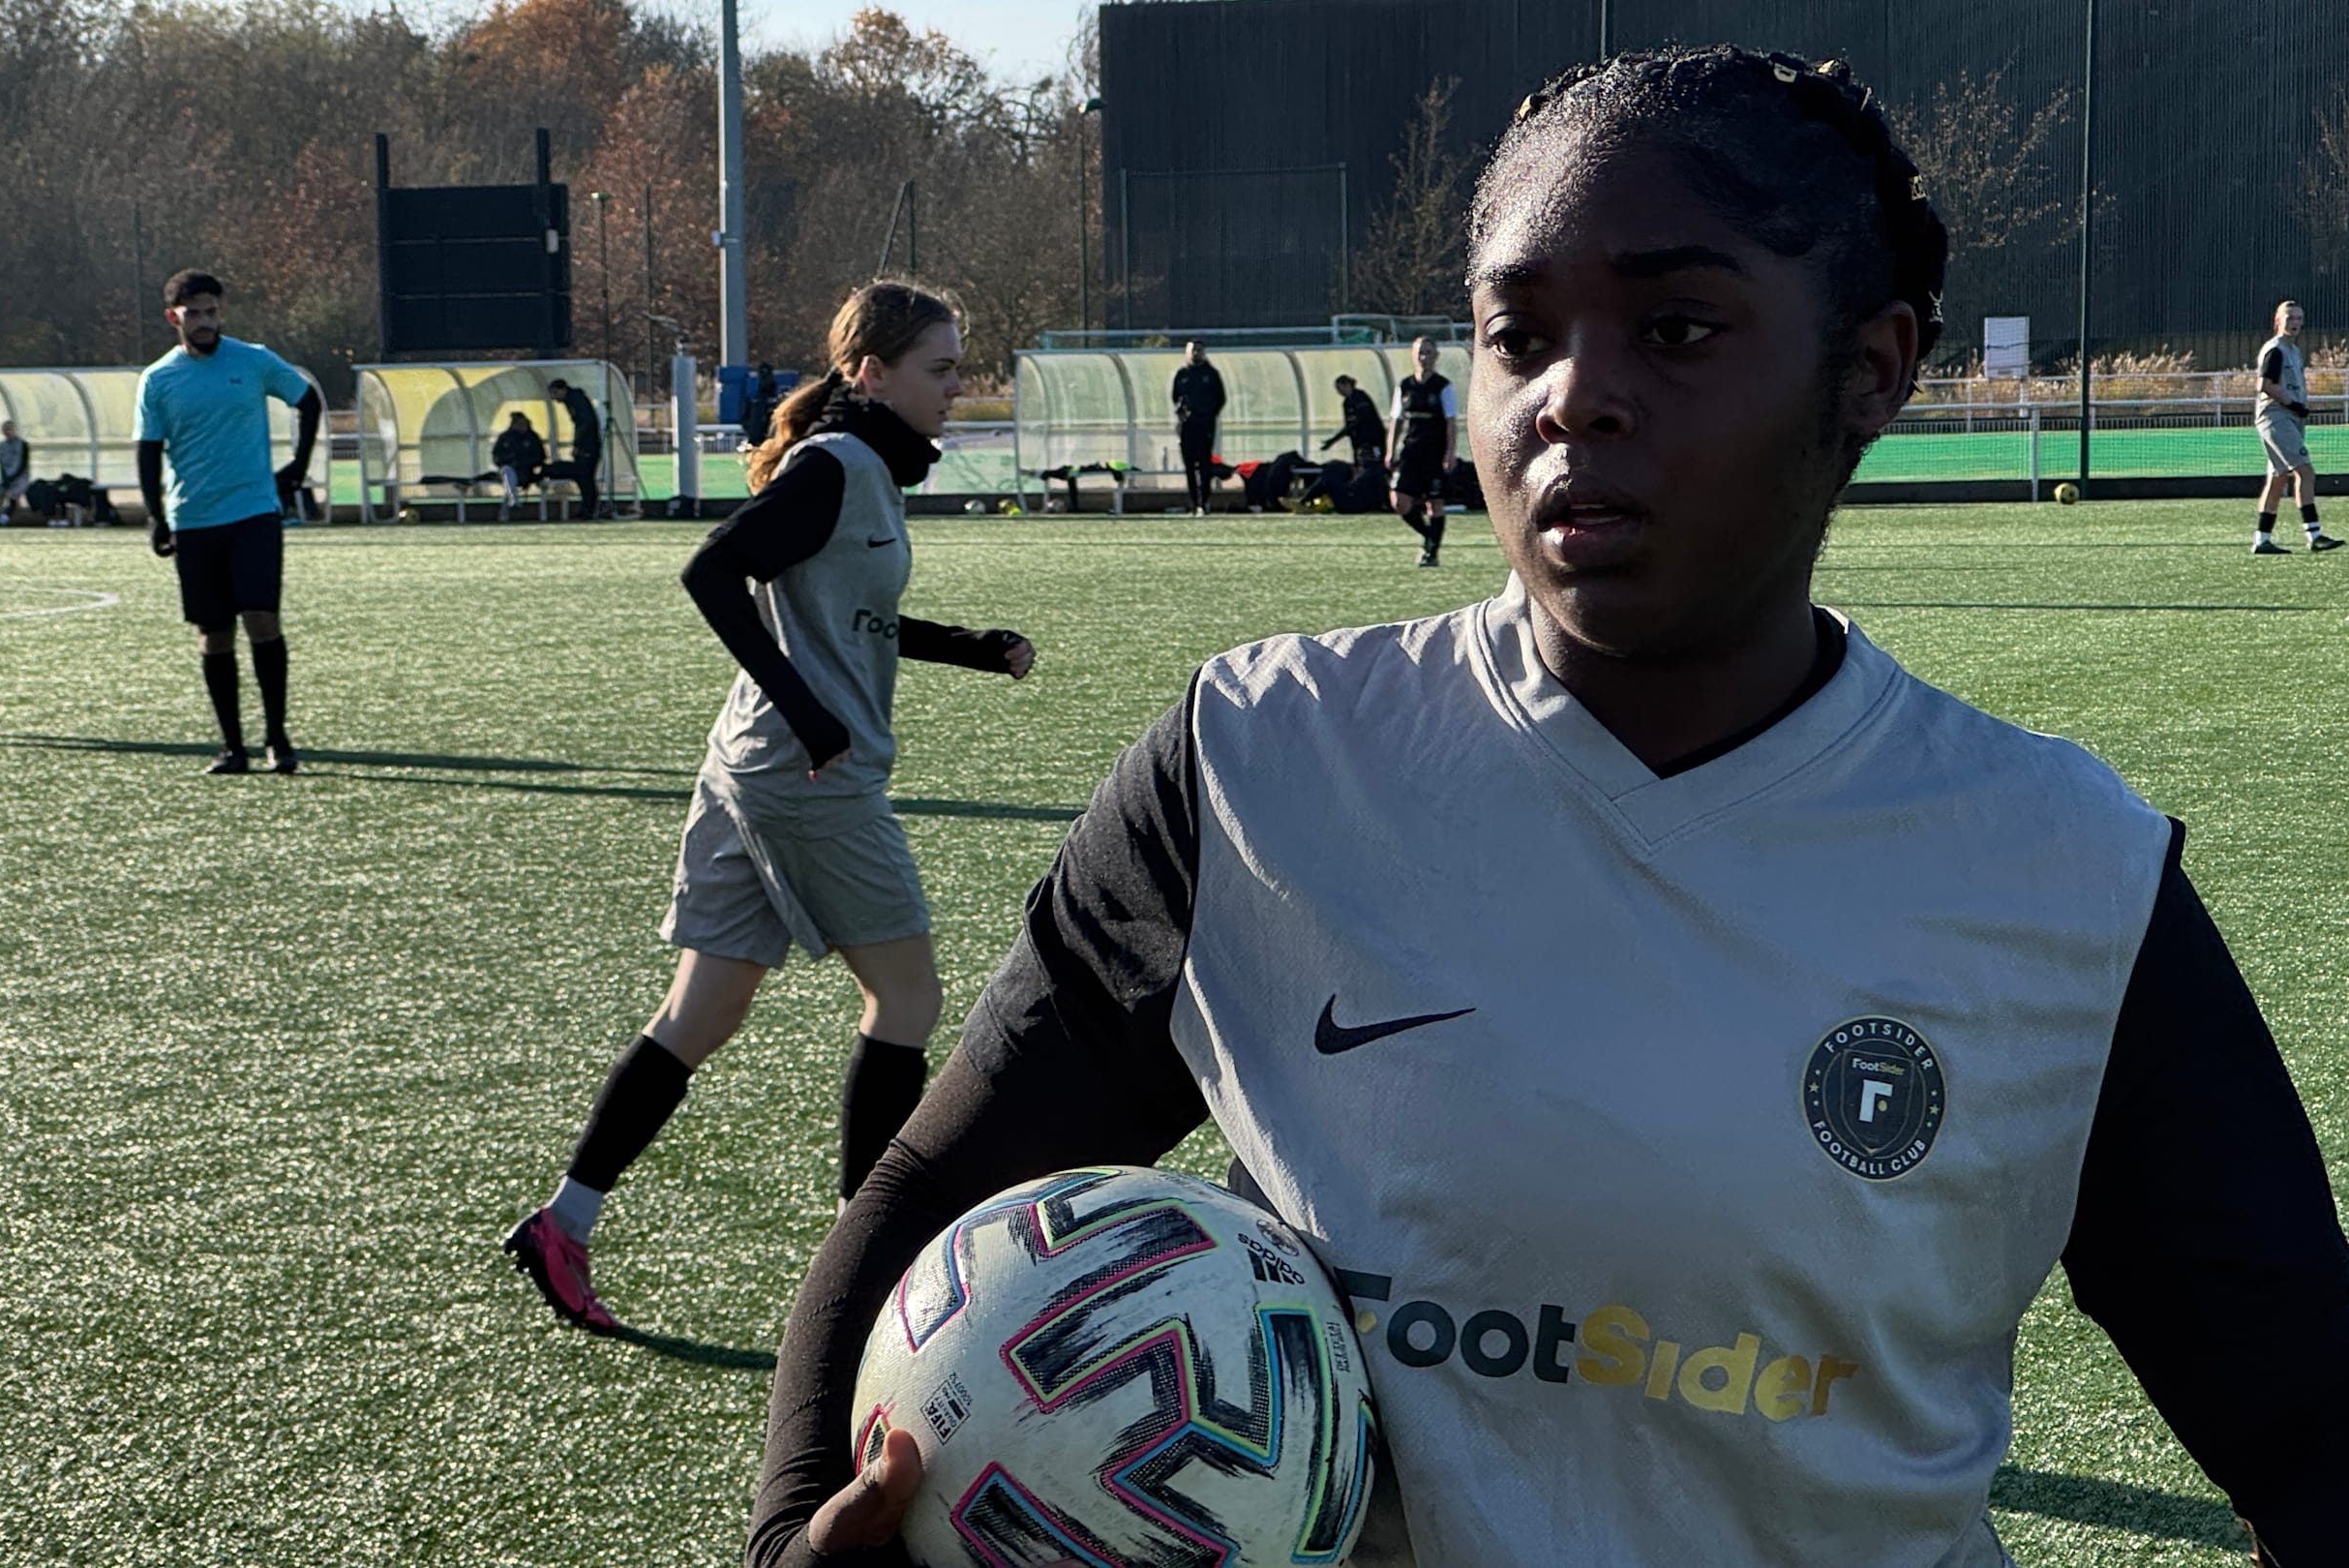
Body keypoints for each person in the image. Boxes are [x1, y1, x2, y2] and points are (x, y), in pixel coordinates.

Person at [748, 47, 2347, 1568]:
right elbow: (932, 1197)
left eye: (1679, 328)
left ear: (1870, 369)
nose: (1573, 397)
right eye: (1519, 336)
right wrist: (796, 1527)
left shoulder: (2063, 873)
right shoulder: (1259, 763)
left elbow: (2309, 1424)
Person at [506, 280, 1039, 1336]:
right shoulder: (836, 466)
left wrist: (973, 648)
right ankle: (862, 1271)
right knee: (907, 999)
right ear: (871, 374)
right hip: (804, 778)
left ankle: (563, 1222)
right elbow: (713, 572)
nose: (955, 388)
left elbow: (848, 617)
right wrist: (810, 714)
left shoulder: (863, 469)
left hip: (748, 767)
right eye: (939, 369)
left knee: (703, 1012)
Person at [135, 268, 323, 775]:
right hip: (195, 519)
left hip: (254, 513)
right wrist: (156, 516)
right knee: (214, 633)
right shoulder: (158, 379)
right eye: (193, 313)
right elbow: (148, 450)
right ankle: (232, 746)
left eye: (212, 312)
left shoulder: (253, 360)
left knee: (262, 619)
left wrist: (298, 469)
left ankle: (278, 739)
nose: (205, 322)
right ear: (173, 318)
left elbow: (308, 401)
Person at [2250, 299, 2333, 555]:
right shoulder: (2275, 349)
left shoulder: (2294, 351)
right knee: (2305, 472)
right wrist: (2292, 404)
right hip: (2276, 417)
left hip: (2289, 418)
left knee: (2278, 478)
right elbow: (2264, 384)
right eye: (2290, 318)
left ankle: (2261, 539)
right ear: (2278, 321)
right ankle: (2314, 535)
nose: (2295, 323)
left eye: (2298, 318)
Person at [1389, 336, 1461, 564]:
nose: (1424, 357)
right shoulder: (1405, 386)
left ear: (1436, 356)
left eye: (1429, 352)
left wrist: (1449, 453)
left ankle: (1432, 553)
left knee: (1434, 503)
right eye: (1420, 352)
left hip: (1434, 452)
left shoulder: (1443, 386)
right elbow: (1396, 420)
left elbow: (1450, 422)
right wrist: (1390, 450)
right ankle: (1430, 537)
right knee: (1399, 503)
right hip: (1410, 451)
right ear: (1413, 355)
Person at [1170, 340, 1227, 515]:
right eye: (1193, 350)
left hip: (1205, 425)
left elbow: (1220, 398)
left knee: (1204, 464)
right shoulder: (1182, 374)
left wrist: (1209, 414)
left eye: (1199, 350)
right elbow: (1175, 397)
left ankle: (1205, 502)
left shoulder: (1211, 374)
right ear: (1187, 352)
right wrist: (1182, 413)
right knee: (1189, 465)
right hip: (1188, 426)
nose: (1196, 353)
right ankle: (1194, 503)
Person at [547, 377, 605, 518]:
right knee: (584, 477)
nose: (554, 398)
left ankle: (589, 509)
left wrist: (578, 445)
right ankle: (588, 508)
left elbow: (585, 424)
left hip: (588, 446)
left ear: (562, 389)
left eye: (555, 393)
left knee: (585, 477)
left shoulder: (577, 401)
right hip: (587, 445)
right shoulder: (573, 400)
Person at [1320, 373, 1386, 467]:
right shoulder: (1347, 403)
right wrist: (1333, 440)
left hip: (1373, 439)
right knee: (1360, 465)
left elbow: (1360, 420)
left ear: (1347, 385)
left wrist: (1334, 440)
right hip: (1358, 441)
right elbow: (1349, 425)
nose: (1338, 391)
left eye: (1339, 388)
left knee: (1376, 463)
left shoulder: (1360, 397)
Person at [490, 410, 547, 508]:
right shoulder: (505, 438)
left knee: (508, 472)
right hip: (508, 469)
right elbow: (497, 456)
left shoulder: (532, 437)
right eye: (518, 423)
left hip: (526, 472)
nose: (521, 426)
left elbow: (540, 456)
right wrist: (509, 460)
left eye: (523, 423)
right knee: (507, 471)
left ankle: (513, 499)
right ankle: (513, 499)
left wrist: (525, 462)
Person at [0, 420, 32, 525]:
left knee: (12, 494)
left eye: (9, 429)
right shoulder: (1, 446)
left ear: (14, 430)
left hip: (20, 477)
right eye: (5, 430)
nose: (7, 432)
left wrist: (13, 477)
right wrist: (5, 478)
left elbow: (23, 464)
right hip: (6, 476)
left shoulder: (23, 444)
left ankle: (5, 518)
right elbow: (1, 463)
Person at [742, 360, 781, 448]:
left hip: (773, 440)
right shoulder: (753, 397)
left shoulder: (778, 397)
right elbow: (744, 417)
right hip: (755, 440)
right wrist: (751, 430)